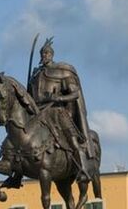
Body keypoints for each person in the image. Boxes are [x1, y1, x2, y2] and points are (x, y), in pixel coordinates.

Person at [28, 37, 92, 180]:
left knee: (72, 139)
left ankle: (83, 169)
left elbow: (75, 94)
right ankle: (16, 173)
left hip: (57, 111)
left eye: (47, 53)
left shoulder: (62, 72)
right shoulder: (36, 75)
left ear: (51, 55)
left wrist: (58, 98)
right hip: (38, 113)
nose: (44, 56)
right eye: (42, 54)